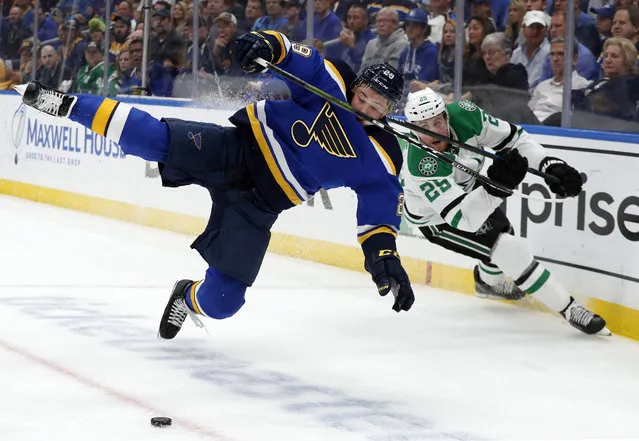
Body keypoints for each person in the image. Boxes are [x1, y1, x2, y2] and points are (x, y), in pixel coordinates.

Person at [17, 30, 416, 340]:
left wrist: (385, 260)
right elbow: (290, 55)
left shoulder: (382, 157)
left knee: (224, 302)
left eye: (376, 106)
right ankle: (67, 105)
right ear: (356, 86)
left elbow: (379, 212)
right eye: (362, 97)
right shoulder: (329, 81)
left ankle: (185, 296)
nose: (364, 108)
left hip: (260, 204)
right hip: (238, 150)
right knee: (156, 140)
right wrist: (265, 45)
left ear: (388, 111)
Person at [399, 88, 609, 335]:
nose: (434, 131)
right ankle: (571, 309)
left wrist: (548, 163)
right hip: (438, 218)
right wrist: (499, 187)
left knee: (502, 230)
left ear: (446, 115)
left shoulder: (467, 116)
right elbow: (462, 219)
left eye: (437, 121)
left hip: (467, 191)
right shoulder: (420, 163)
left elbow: (516, 139)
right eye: (424, 125)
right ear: (414, 128)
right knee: (509, 249)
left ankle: (488, 283)